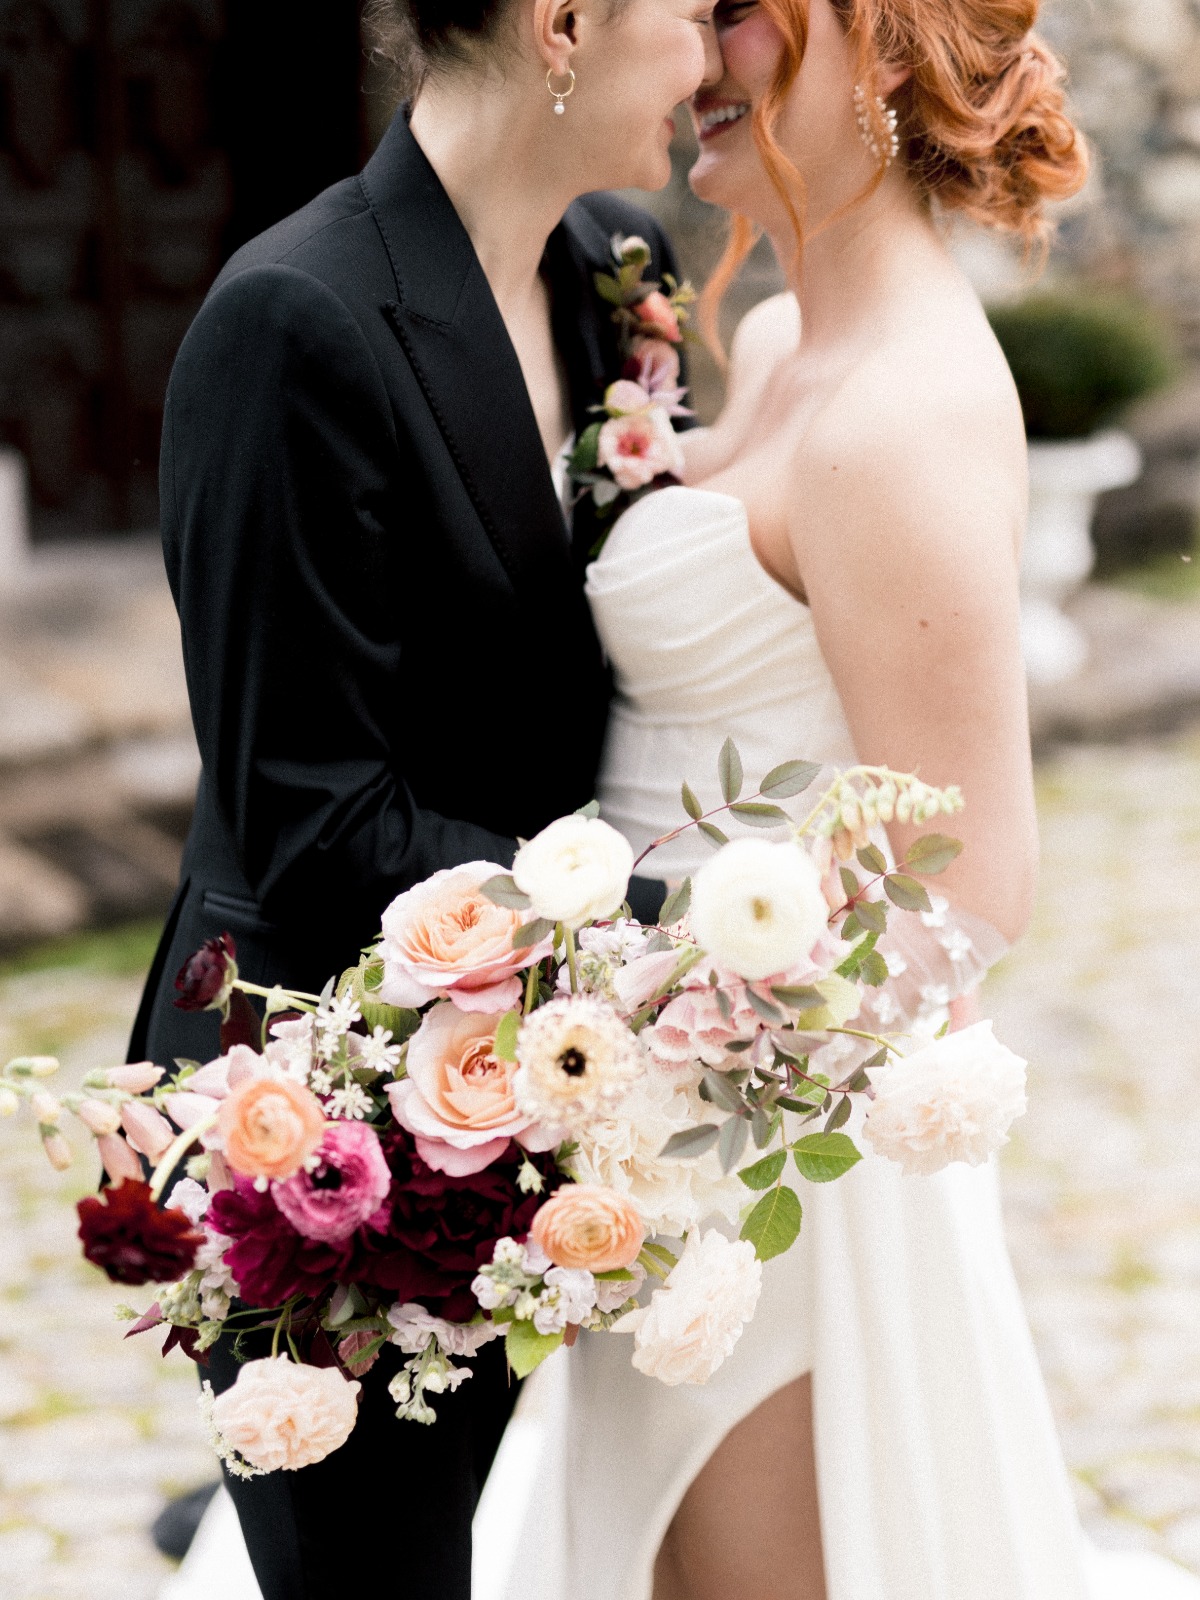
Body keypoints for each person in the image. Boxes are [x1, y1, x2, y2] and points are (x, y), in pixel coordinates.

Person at [485, 0, 1200, 1595]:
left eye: (739, 17)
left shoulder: (903, 418)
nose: (695, 54)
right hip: (645, 1119)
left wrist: (698, 1057)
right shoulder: (797, 344)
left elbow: (974, 878)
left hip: (772, 1172)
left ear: (878, 50)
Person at [127, 0, 720, 1591]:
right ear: (568, 24)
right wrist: (696, 927)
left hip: (557, 1091)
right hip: (332, 1130)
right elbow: (311, 821)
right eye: (688, 12)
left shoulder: (612, 266)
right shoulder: (290, 323)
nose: (714, 57)